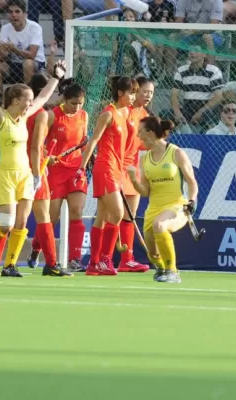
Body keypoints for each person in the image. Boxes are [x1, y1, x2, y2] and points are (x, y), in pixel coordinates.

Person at [0, 59, 65, 277]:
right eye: (27, 100)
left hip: (26, 175)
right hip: (5, 176)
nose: (31, 103)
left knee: (21, 223)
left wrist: (56, 77)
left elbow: (43, 98)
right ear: (15, 99)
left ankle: (9, 265)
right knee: (6, 225)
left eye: (31, 100)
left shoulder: (24, 117)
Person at [75, 76, 138, 276]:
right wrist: (81, 168)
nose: (134, 96)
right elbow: (93, 141)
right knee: (118, 213)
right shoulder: (108, 113)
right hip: (105, 168)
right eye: (132, 92)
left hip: (117, 169)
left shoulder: (127, 112)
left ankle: (93, 264)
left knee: (102, 217)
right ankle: (105, 260)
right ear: (120, 93)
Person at [127, 116, 198, 283]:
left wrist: (192, 201)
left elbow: (191, 182)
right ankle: (162, 268)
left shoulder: (176, 153)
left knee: (160, 225)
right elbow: (145, 192)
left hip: (176, 206)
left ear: (150, 133)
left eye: (141, 132)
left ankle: (172, 271)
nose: (138, 135)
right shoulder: (144, 158)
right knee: (153, 255)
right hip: (153, 209)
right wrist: (134, 180)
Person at [37, 80, 89, 273]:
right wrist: (46, 156)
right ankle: (36, 248)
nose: (77, 107)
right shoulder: (51, 116)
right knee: (51, 217)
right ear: (65, 100)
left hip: (75, 170)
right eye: (73, 103)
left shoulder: (84, 116)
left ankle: (75, 259)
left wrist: (84, 162)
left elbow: (83, 143)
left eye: (80, 103)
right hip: (55, 171)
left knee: (77, 211)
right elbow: (38, 143)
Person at [106, 76, 154, 273]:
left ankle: (127, 259)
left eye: (151, 93)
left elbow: (141, 143)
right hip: (117, 167)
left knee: (130, 215)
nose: (147, 96)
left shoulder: (144, 115)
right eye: (144, 91)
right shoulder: (123, 112)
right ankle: (104, 258)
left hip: (132, 168)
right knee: (112, 215)